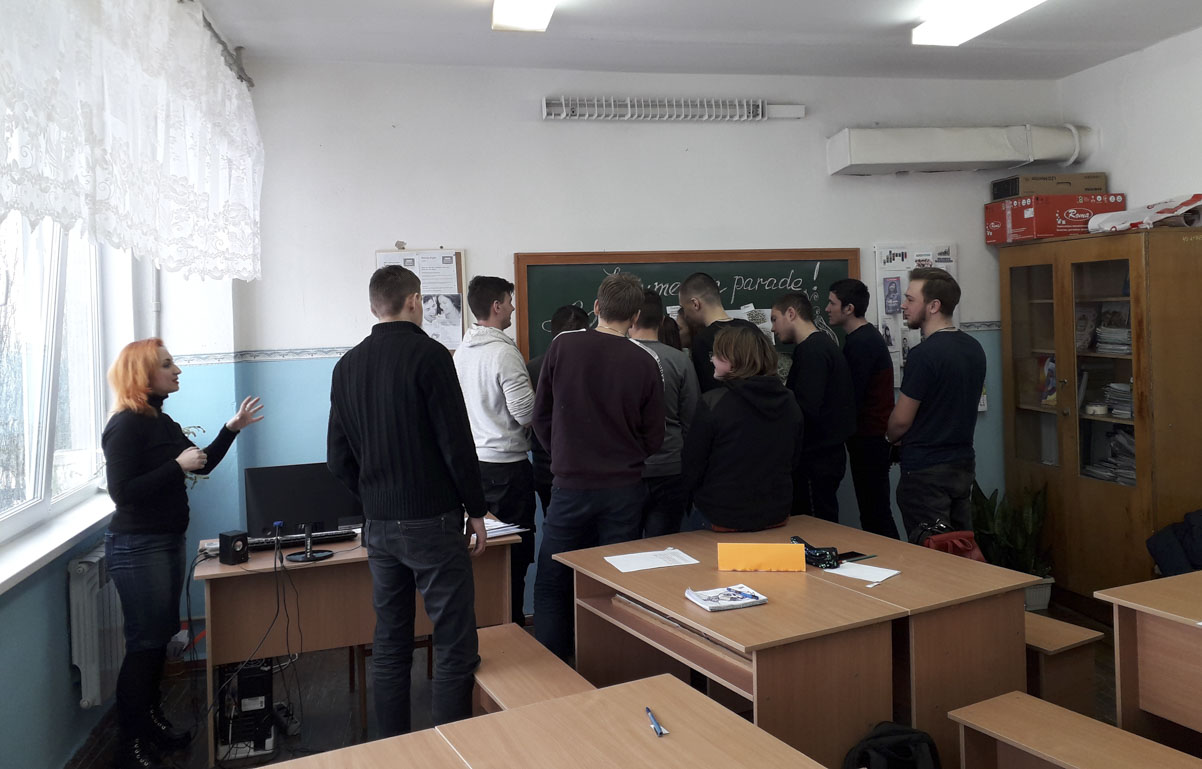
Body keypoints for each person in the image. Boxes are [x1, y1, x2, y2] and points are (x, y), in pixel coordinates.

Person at [327, 265, 488, 737]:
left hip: (378, 524)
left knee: (391, 640)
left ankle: (393, 748)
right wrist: (476, 509)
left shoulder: (346, 366)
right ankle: (453, 748)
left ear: (373, 305)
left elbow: (336, 458)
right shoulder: (431, 355)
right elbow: (456, 444)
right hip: (432, 520)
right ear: (415, 301)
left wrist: (374, 495)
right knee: (453, 639)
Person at [103, 339, 263, 769]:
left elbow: (201, 462)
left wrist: (231, 428)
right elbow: (123, 492)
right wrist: (175, 467)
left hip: (165, 541)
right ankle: (130, 745)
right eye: (167, 364)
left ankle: (151, 722)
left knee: (157, 644)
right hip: (138, 546)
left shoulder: (161, 421)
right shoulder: (125, 425)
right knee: (144, 646)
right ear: (143, 374)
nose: (177, 371)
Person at [532, 273, 665, 660]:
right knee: (614, 582)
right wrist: (628, 457)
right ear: (635, 316)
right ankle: (609, 665)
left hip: (570, 485)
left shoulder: (563, 346)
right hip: (623, 489)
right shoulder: (645, 361)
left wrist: (562, 456)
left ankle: (553, 667)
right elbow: (654, 435)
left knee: (553, 578)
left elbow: (541, 416)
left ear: (595, 307)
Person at [454, 275, 537, 626]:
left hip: (474, 467)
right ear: (496, 306)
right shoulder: (503, 352)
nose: (514, 308)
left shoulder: (462, 351)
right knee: (514, 558)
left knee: (484, 558)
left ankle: (486, 629)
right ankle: (512, 629)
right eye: (509, 301)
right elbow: (526, 413)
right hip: (507, 470)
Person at [886, 267, 986, 539]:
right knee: (959, 547)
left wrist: (889, 437)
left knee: (932, 551)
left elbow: (901, 420)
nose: (903, 306)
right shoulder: (974, 348)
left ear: (933, 306)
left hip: (925, 470)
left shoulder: (924, 355)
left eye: (910, 299)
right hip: (962, 464)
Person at [682, 325, 803, 531]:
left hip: (722, 516)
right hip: (776, 513)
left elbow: (693, 465)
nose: (711, 360)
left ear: (733, 359)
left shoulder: (713, 403)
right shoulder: (789, 400)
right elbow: (794, 459)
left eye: (717, 355)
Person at [771, 292, 856, 522]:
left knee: (814, 526)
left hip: (816, 459)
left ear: (791, 313)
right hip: (824, 456)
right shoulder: (819, 346)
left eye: (775, 319)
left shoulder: (812, 351)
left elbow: (806, 408)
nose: (773, 328)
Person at [826, 279, 900, 539]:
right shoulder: (862, 338)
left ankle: (892, 559)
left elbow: (851, 396)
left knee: (875, 513)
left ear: (849, 308)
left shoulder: (862, 343)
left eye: (832, 303)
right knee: (873, 511)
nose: (827, 309)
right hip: (869, 437)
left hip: (870, 439)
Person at [630, 290, 700, 537]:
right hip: (670, 466)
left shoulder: (616, 358)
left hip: (626, 468)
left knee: (623, 546)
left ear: (631, 317)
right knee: (663, 544)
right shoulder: (680, 361)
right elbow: (691, 418)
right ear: (661, 321)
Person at [527, 305, 591, 516]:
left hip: (546, 462)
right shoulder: (597, 365)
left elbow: (537, 418)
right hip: (587, 466)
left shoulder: (533, 367)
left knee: (554, 521)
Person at [677, 272, 759, 392]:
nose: (685, 314)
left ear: (695, 304)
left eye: (683, 307)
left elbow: (707, 388)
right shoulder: (751, 329)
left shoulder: (702, 340)